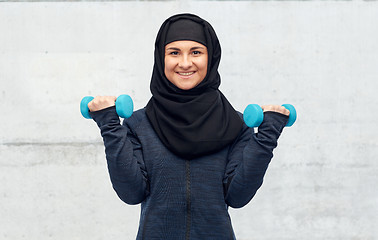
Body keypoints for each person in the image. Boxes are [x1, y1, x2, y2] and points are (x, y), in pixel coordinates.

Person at [88, 13, 289, 240]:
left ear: (210, 57)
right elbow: (131, 193)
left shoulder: (236, 125)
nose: (185, 63)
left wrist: (267, 134)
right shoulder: (138, 125)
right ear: (161, 58)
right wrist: (110, 125)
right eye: (174, 52)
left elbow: (238, 196)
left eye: (196, 52)